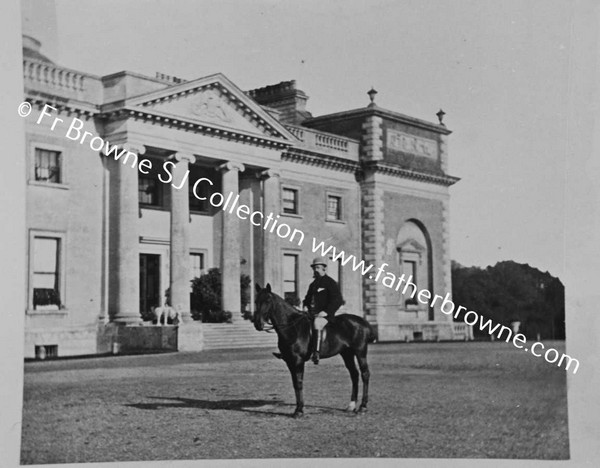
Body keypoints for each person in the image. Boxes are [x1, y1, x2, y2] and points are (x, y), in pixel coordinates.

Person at [273, 257, 344, 364]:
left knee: (317, 323)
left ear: (324, 269)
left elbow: (337, 300)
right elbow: (307, 298)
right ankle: (287, 351)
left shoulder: (330, 283)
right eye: (314, 268)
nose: (316, 270)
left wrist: (326, 312)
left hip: (325, 315)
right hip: (311, 314)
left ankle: (316, 353)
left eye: (318, 268)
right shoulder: (313, 284)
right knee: (297, 322)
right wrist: (305, 305)